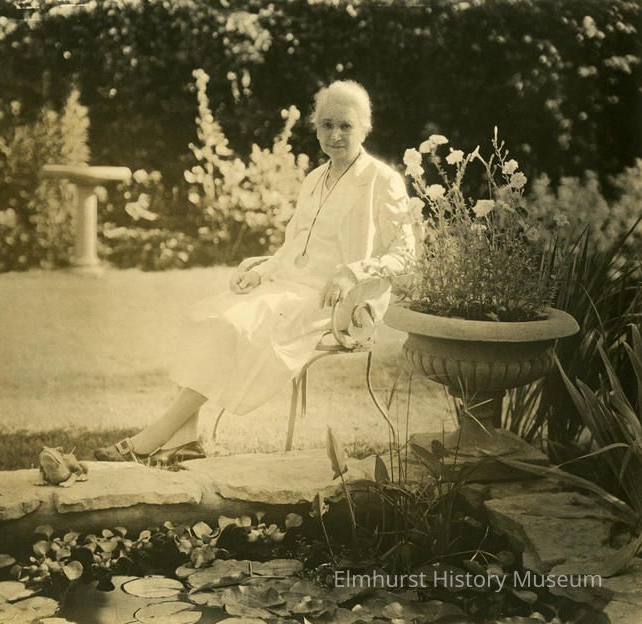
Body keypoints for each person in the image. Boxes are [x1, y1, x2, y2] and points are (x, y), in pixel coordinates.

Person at [95, 80, 416, 464]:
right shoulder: (315, 179)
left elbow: (406, 254)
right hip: (287, 286)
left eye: (345, 126)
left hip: (336, 301)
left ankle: (151, 439)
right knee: (205, 317)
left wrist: (354, 272)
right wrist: (261, 272)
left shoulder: (382, 181)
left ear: (365, 127)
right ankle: (184, 439)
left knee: (233, 325)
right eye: (327, 125)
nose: (335, 135)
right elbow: (295, 246)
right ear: (316, 128)